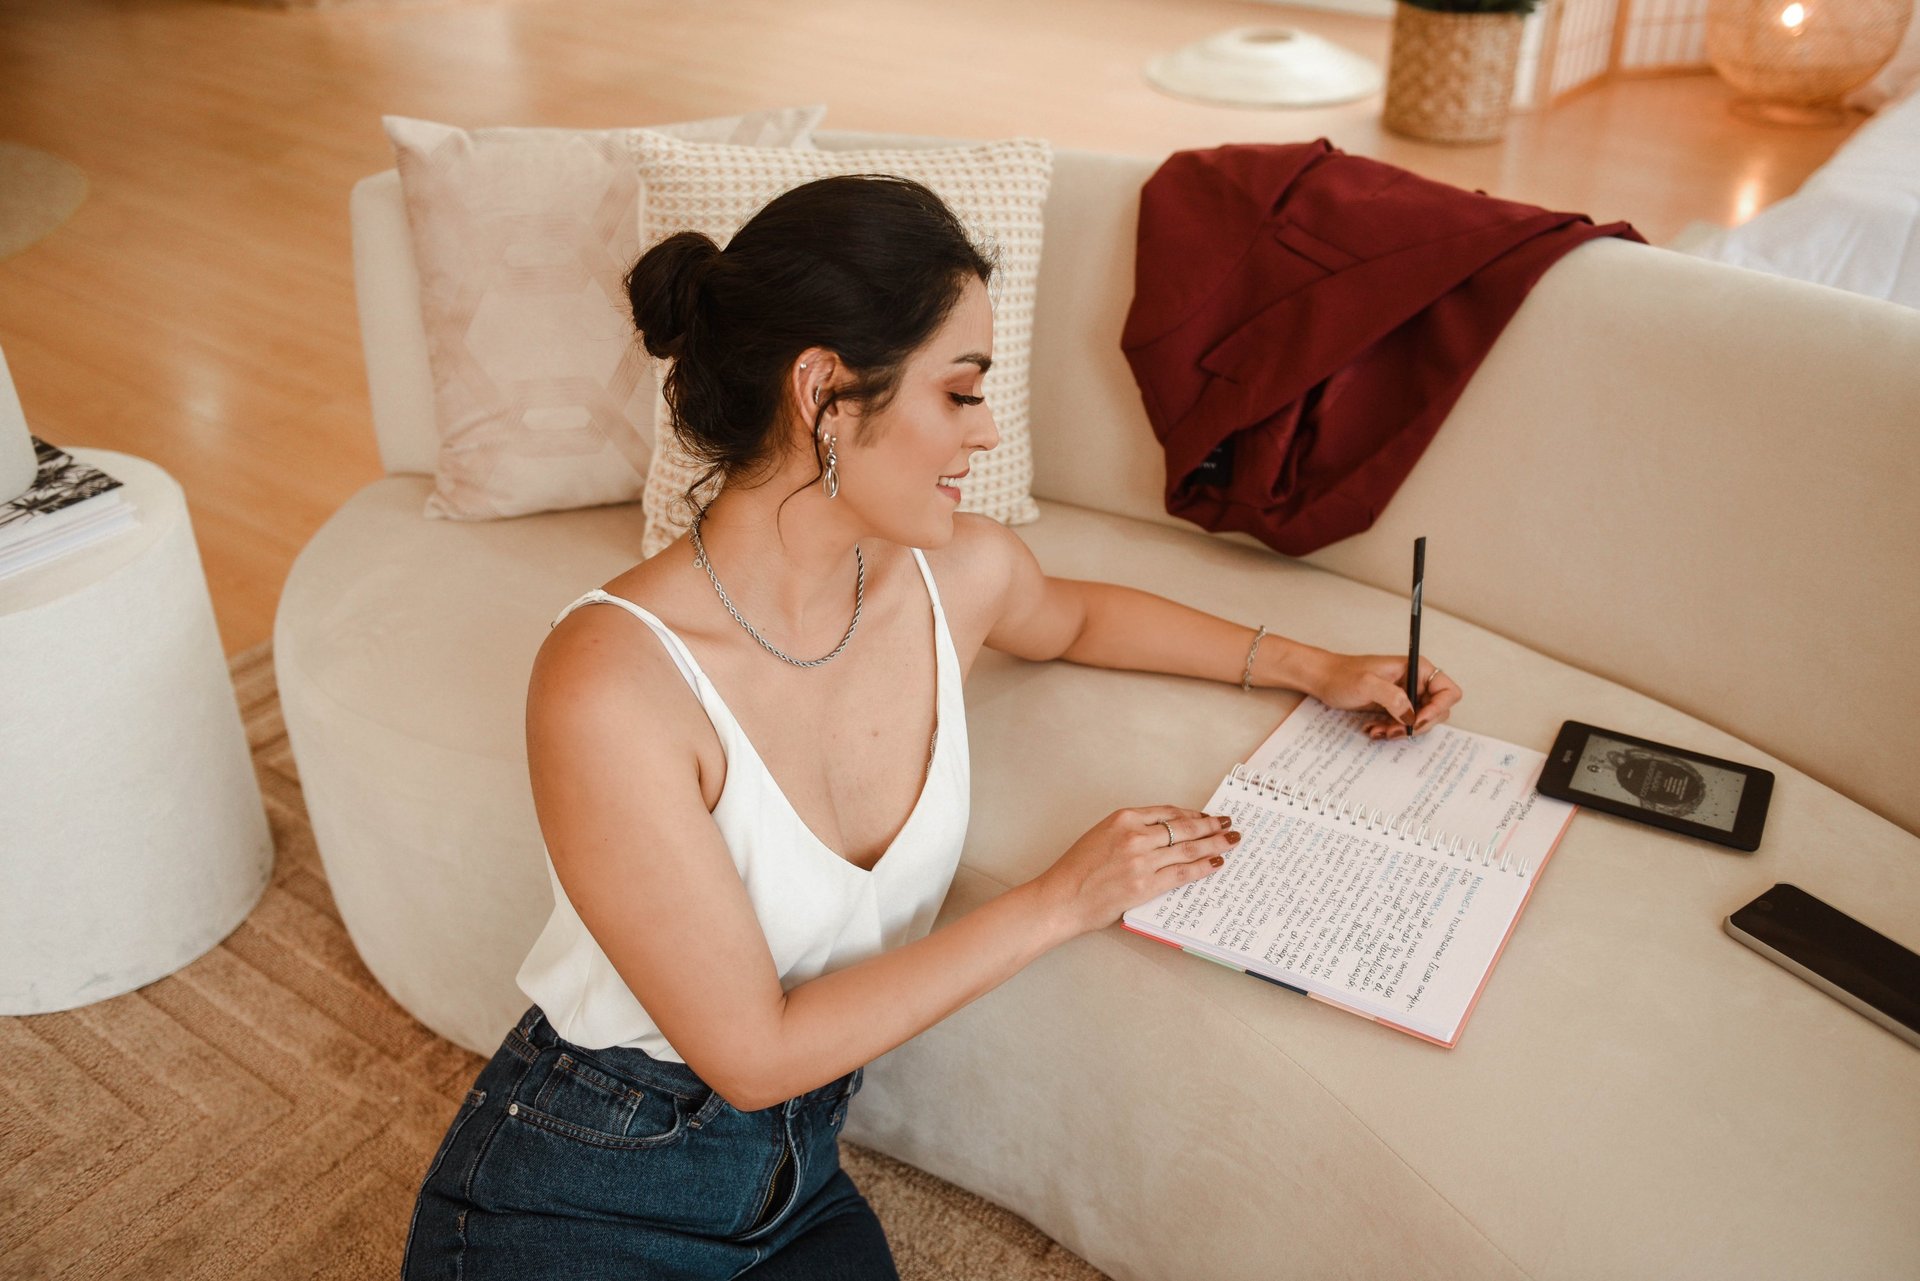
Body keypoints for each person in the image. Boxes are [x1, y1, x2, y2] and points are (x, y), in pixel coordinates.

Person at [402, 173, 1462, 1280]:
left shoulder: (949, 579)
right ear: (824, 394)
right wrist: (1064, 898)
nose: (988, 428)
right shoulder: (610, 682)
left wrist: (1319, 668)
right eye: (960, 393)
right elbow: (755, 1055)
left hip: (794, 1186)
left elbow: (1076, 616)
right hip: (586, 1185)